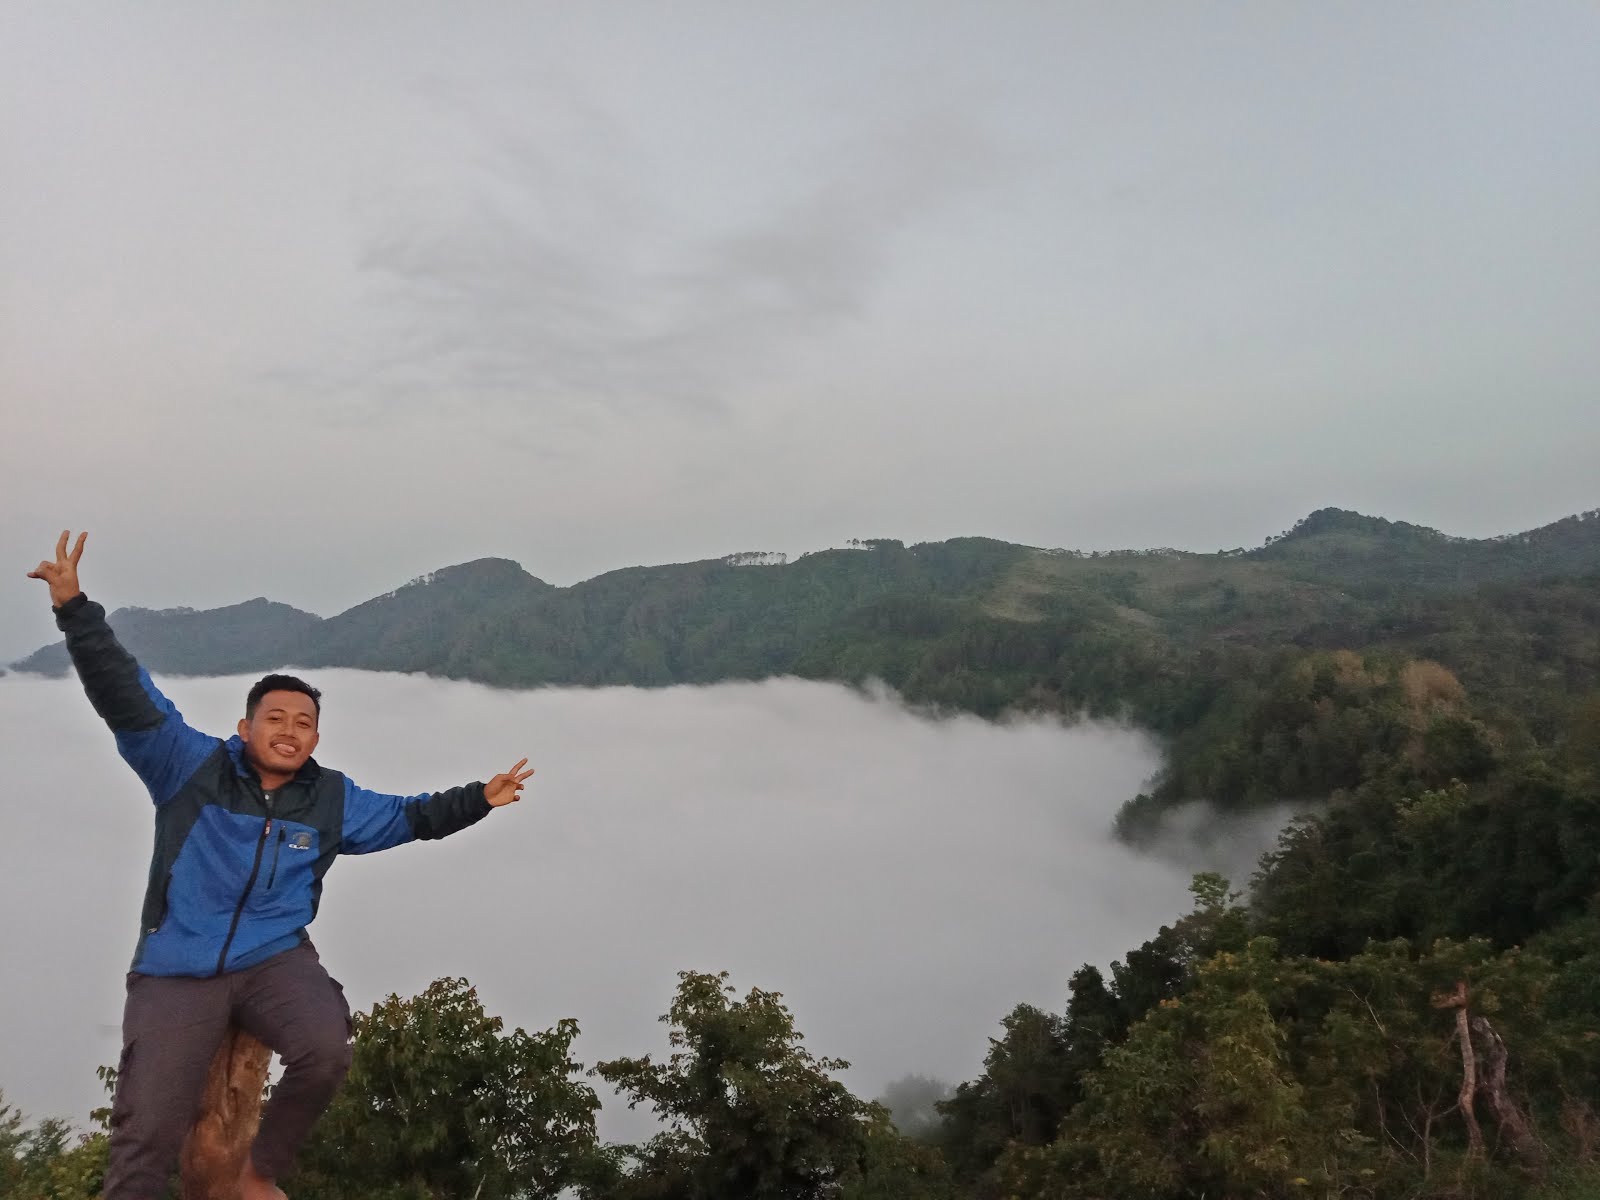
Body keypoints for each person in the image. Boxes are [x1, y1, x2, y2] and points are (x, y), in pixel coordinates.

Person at [28, 530, 535, 1200]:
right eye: (276, 718)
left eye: (304, 722)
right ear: (245, 728)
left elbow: (408, 817)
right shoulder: (189, 768)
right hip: (179, 965)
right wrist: (75, 609)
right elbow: (126, 693)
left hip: (274, 958)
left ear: (316, 738)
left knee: (325, 1051)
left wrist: (479, 799)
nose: (290, 730)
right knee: (145, 1136)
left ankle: (257, 1177)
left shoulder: (331, 798)